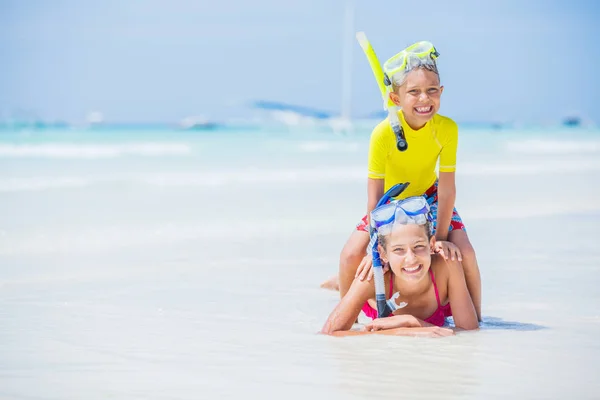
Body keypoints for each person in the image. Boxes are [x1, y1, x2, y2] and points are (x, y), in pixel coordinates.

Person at [323, 40, 482, 321]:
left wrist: (440, 238)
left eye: (432, 90)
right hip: (390, 201)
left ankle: (477, 319)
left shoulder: (446, 129)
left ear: (441, 92)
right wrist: (377, 245)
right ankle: (353, 315)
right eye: (414, 92)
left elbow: (447, 190)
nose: (424, 99)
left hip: (430, 195)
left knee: (465, 253)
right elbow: (375, 196)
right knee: (349, 256)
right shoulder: (383, 134)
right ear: (396, 99)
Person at [321, 197, 479, 336]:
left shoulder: (447, 265)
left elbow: (470, 332)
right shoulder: (375, 277)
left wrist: (413, 322)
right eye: (398, 250)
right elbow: (329, 334)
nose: (411, 259)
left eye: (418, 246)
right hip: (376, 293)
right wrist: (402, 330)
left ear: (431, 244)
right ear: (383, 253)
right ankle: (337, 283)